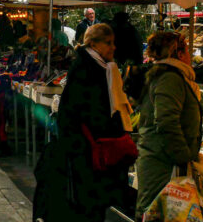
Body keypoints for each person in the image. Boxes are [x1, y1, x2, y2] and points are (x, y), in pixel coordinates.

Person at [40, 23, 134, 221]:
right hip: (86, 150)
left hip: (87, 149)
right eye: (108, 43)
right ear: (93, 44)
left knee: (90, 203)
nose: (113, 47)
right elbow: (89, 112)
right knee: (88, 205)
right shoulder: (89, 68)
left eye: (113, 43)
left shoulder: (97, 66)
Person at [136, 32, 203, 216]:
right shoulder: (170, 79)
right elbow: (166, 122)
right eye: (188, 51)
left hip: (159, 159)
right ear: (180, 54)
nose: (190, 56)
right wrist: (184, 155)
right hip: (162, 164)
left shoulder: (167, 75)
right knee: (155, 213)